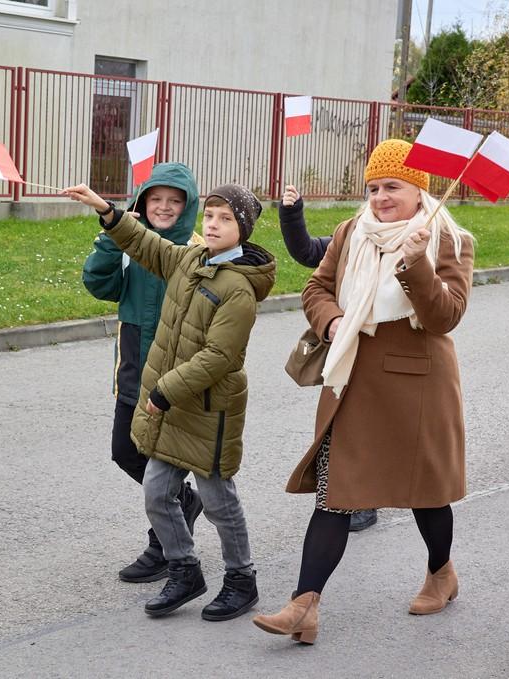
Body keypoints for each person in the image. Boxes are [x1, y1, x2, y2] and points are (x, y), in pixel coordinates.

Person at [253, 139, 474, 644]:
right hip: (351, 379)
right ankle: (304, 605)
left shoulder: (448, 239)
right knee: (335, 493)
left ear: (418, 190)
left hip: (419, 386)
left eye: (392, 186)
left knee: (426, 494)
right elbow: (316, 288)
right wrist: (333, 323)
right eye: (373, 188)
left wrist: (416, 263)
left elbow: (446, 317)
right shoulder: (353, 231)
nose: (380, 197)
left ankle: (441, 573)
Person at [65, 181, 276, 622]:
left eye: (225, 219)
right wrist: (106, 209)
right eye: (210, 216)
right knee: (157, 493)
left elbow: (219, 356)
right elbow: (145, 243)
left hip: (207, 410)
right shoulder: (190, 259)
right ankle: (184, 570)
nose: (213, 224)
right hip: (174, 404)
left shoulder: (238, 288)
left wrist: (164, 390)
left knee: (218, 502)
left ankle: (242, 579)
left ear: (243, 229)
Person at [82, 162, 204, 583]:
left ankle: (164, 547)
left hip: (175, 382)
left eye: (175, 201)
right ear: (142, 201)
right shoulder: (128, 245)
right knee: (125, 451)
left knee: (161, 469)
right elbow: (100, 285)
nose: (164, 207)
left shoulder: (196, 252)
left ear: (188, 206)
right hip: (134, 373)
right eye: (156, 199)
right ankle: (184, 503)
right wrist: (111, 239)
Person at [279, 185, 378, 533]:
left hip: (382, 357)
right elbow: (306, 251)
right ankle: (343, 499)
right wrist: (292, 212)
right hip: (345, 350)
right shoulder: (350, 236)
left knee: (368, 427)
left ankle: (364, 501)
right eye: (373, 190)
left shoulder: (413, 242)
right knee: (342, 427)